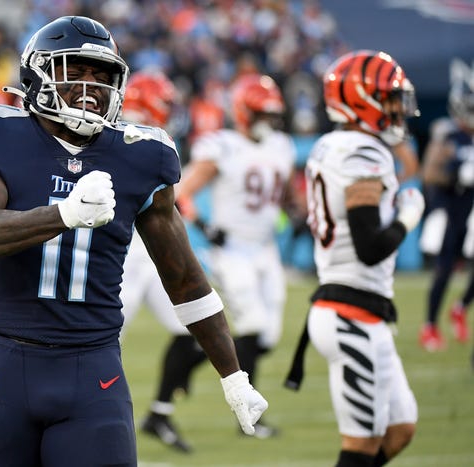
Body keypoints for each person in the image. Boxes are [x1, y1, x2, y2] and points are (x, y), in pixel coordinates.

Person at [0, 16, 268, 467]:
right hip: (4, 366)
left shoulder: (141, 154)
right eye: (74, 72)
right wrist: (65, 215)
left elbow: (186, 280)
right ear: (37, 75)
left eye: (101, 76)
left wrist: (233, 375)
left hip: (93, 372)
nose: (90, 86)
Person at [285, 50, 424, 467]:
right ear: (364, 99)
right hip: (351, 313)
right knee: (360, 447)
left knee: (400, 430)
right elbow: (370, 248)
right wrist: (408, 217)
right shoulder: (364, 151)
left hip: (357, 309)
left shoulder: (333, 145)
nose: (398, 109)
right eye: (391, 99)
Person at [175, 72, 298, 438]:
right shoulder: (223, 146)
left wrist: (297, 213)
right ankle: (248, 419)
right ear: (244, 112)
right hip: (232, 252)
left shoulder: (281, 146)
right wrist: (206, 227)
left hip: (265, 249)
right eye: (261, 113)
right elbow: (181, 194)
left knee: (268, 336)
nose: (268, 122)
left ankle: (191, 360)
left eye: (271, 114)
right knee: (255, 327)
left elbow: (285, 194)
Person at [118, 70, 207, 453]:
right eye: (164, 103)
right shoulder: (124, 135)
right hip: (121, 254)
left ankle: (160, 413)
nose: (170, 111)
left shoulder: (154, 139)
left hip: (151, 252)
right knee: (95, 341)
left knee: (195, 329)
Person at [419, 57, 474, 351]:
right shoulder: (446, 132)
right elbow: (429, 173)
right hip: (449, 211)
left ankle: (461, 308)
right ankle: (429, 325)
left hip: (471, 214)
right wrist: (455, 172)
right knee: (444, 270)